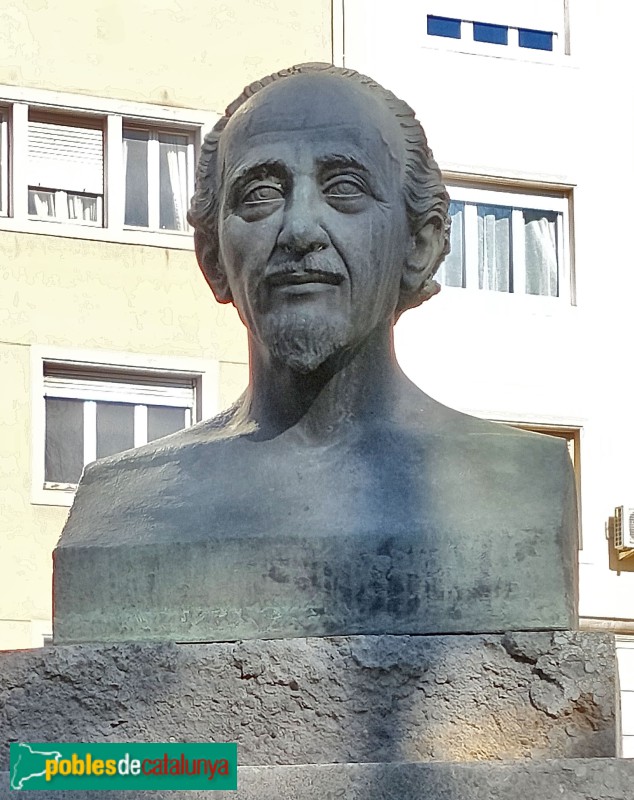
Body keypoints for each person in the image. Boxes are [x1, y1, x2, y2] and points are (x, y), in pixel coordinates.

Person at [54, 64, 577, 644]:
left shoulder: (518, 483)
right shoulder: (124, 503)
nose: (301, 227)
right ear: (212, 258)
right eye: (260, 195)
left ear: (420, 244)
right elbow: (118, 743)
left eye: (345, 189)